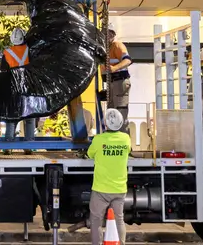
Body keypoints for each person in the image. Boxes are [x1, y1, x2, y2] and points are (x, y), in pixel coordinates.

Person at [87, 109, 131, 245]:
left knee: (96, 220)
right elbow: (129, 150)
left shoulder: (98, 139)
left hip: (101, 189)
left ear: (105, 123)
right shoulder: (126, 139)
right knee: (119, 220)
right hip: (119, 188)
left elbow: (90, 154)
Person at [0, 27, 36, 153]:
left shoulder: (7, 53)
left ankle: (8, 146)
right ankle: (29, 146)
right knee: (29, 117)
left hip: (13, 89)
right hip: (28, 88)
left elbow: (3, 72)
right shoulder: (29, 51)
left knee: (12, 116)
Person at [105, 23, 132, 133]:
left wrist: (114, 68)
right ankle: (115, 138)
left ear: (112, 34)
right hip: (112, 83)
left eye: (107, 33)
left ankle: (123, 139)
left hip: (119, 82)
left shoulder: (117, 45)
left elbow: (128, 60)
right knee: (112, 113)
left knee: (120, 113)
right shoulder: (107, 48)